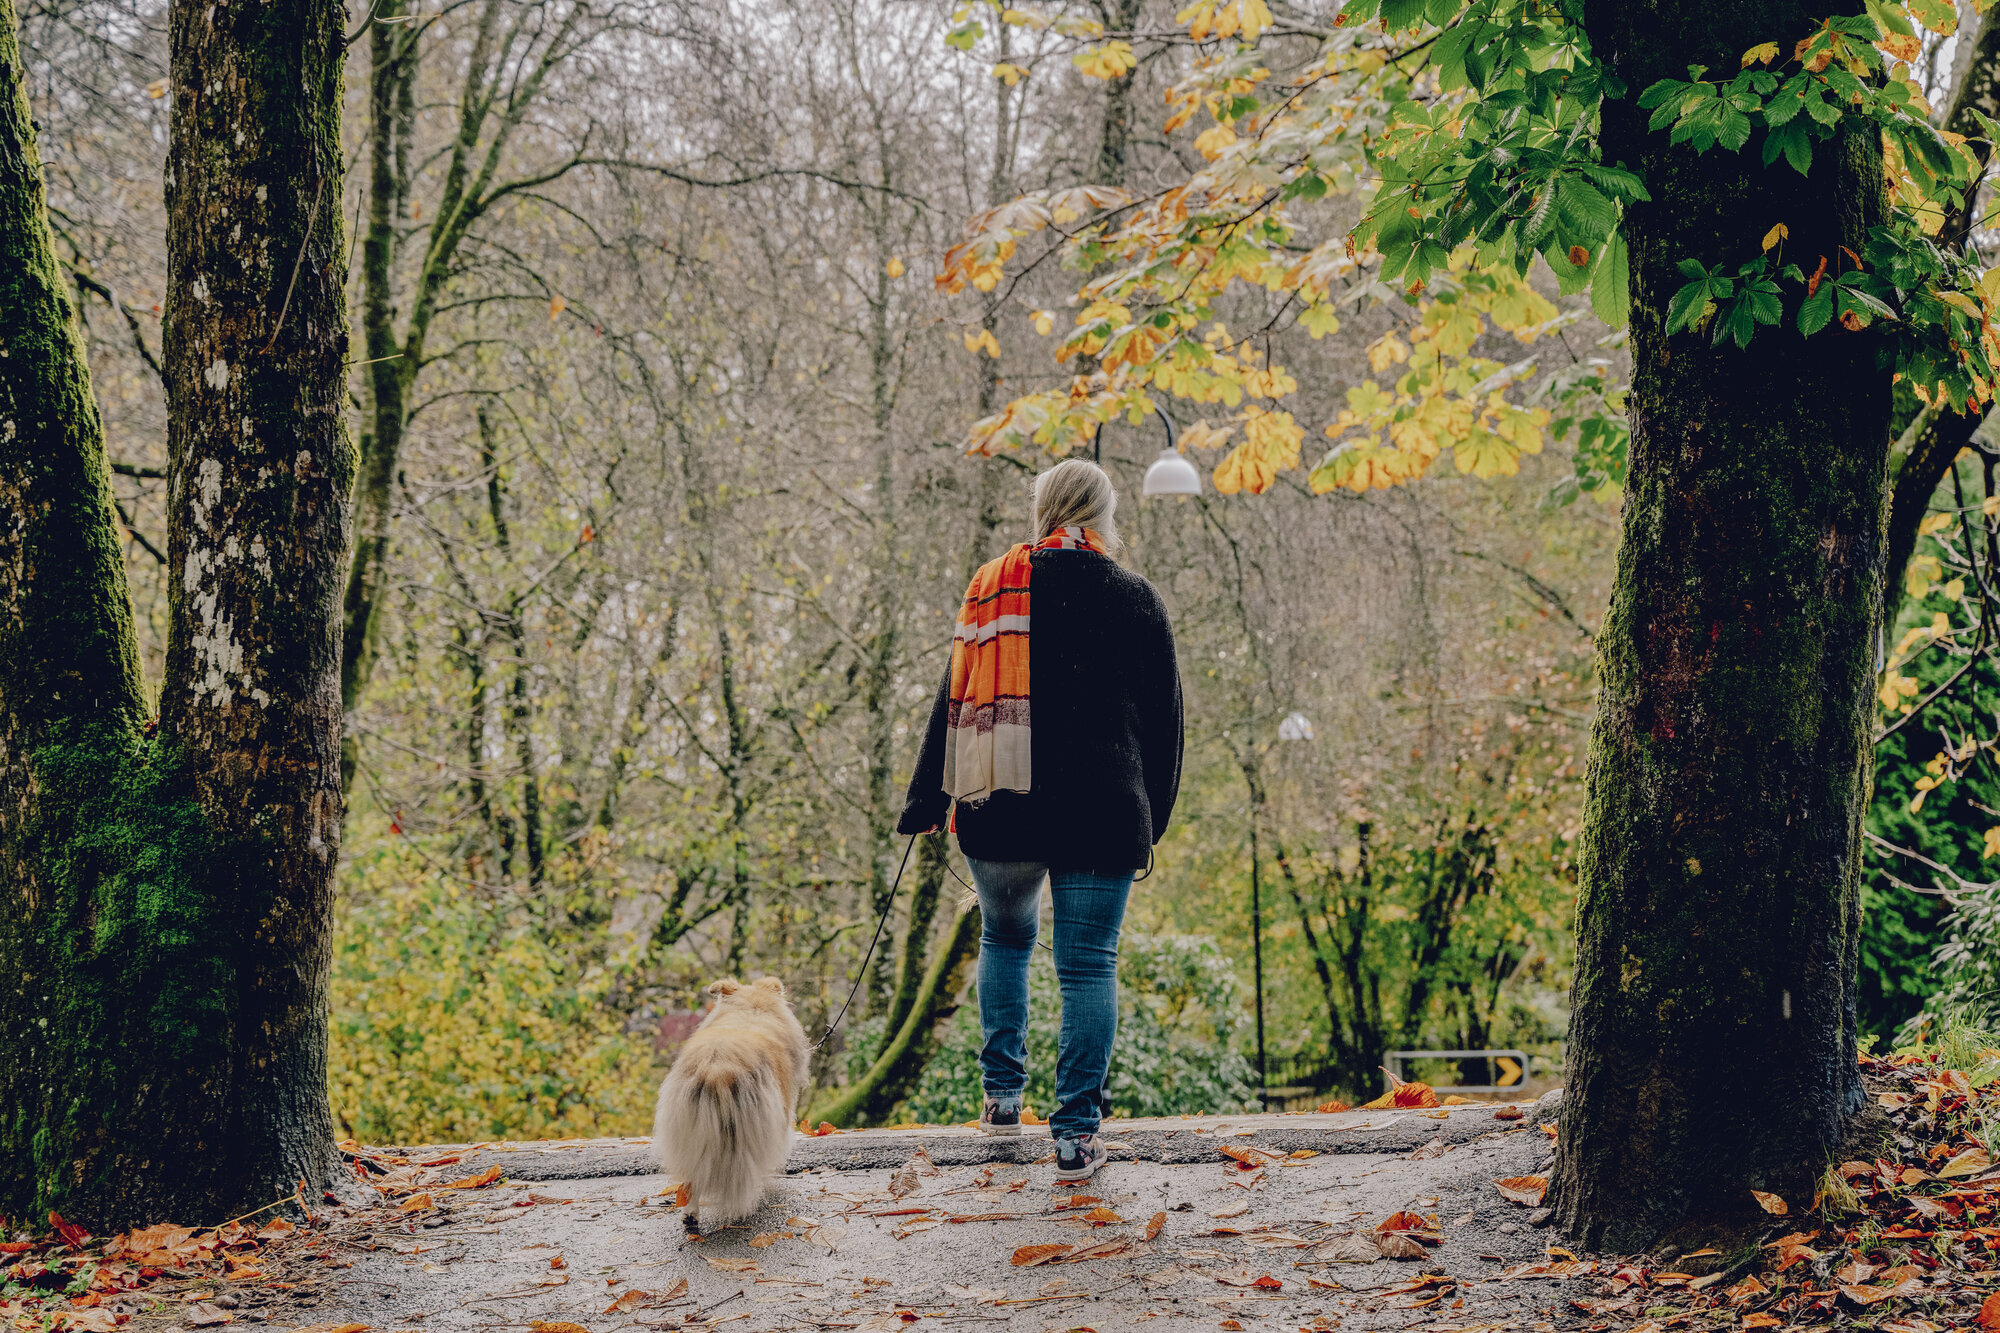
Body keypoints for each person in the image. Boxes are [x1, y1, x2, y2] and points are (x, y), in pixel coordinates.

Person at [898, 458, 1183, 1183]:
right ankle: (1076, 1136)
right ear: (1104, 515)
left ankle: (1001, 1099)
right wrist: (1152, 814)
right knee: (1087, 964)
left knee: (1006, 936)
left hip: (1003, 804)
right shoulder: (1137, 598)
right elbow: (1166, 726)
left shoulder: (996, 589)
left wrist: (928, 797)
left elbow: (955, 694)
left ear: (1044, 508)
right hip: (1102, 811)